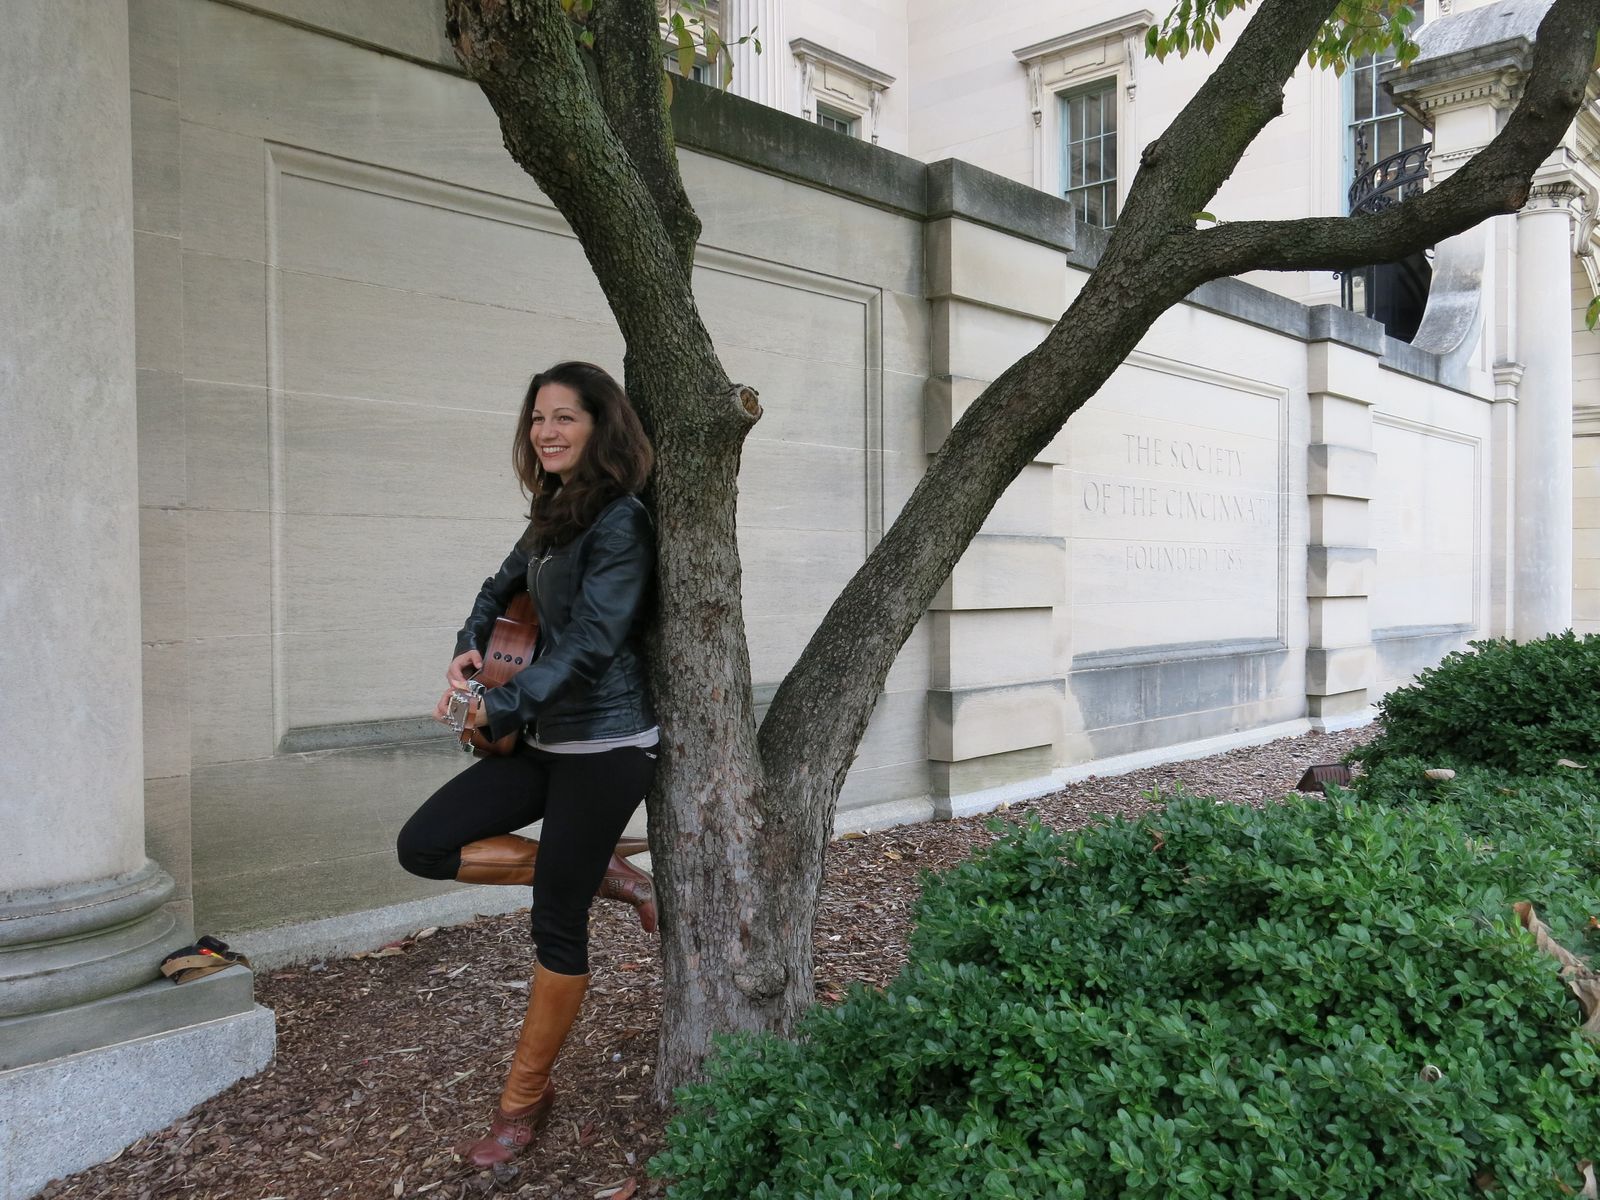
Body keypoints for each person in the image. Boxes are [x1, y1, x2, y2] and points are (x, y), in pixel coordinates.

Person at [395, 360, 660, 1168]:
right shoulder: (555, 509)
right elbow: (496, 588)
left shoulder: (620, 521)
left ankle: (521, 1105)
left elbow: (593, 642)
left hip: (606, 746)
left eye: (564, 417)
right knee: (423, 845)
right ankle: (610, 873)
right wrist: (468, 646)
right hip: (542, 738)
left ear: (600, 426)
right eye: (538, 417)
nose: (546, 431)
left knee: (556, 920)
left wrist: (502, 707)